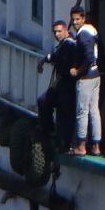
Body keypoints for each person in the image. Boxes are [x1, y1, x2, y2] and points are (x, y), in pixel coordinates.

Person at [36, 20, 78, 151]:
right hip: (60, 83)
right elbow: (54, 56)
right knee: (45, 102)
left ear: (66, 30)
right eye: (55, 32)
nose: (57, 34)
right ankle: (51, 131)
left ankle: (63, 140)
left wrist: (49, 60)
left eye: (59, 31)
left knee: (64, 111)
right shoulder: (63, 45)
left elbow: (60, 59)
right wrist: (44, 60)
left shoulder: (69, 44)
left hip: (67, 83)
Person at [69, 5, 103, 156]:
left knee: (82, 111)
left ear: (83, 18)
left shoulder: (82, 35)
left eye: (78, 19)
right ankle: (96, 146)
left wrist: (77, 70)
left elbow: (89, 57)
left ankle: (81, 146)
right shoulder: (92, 30)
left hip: (87, 78)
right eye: (73, 20)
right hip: (96, 75)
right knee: (94, 111)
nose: (75, 22)